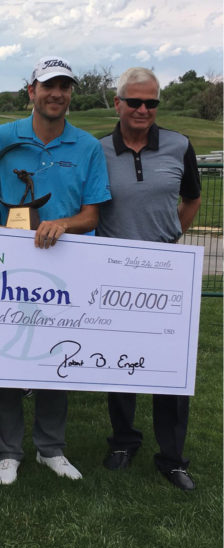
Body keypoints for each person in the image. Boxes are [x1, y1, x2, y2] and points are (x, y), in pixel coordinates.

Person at [0, 55, 111, 486]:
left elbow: (92, 214)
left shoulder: (87, 147)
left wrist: (63, 223)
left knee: (57, 355)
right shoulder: (3, 135)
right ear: (31, 91)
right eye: (48, 86)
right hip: (12, 266)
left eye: (64, 86)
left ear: (71, 93)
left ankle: (51, 449)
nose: (57, 94)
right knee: (7, 354)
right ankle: (7, 451)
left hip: (64, 269)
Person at [97, 67, 201, 491]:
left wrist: (171, 234)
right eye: (135, 101)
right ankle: (123, 440)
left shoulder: (180, 145)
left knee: (170, 368)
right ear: (118, 102)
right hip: (113, 270)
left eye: (151, 103)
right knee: (120, 363)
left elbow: (191, 198)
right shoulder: (97, 149)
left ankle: (172, 456)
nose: (143, 110)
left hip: (165, 270)